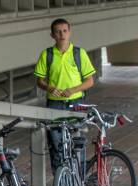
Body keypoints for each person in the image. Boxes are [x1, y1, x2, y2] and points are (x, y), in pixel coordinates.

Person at [34, 18, 96, 169]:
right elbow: (39, 81)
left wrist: (73, 90)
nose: (62, 34)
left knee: (77, 141)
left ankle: (79, 176)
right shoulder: (47, 54)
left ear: (69, 32)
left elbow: (90, 81)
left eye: (64, 31)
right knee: (56, 143)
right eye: (58, 32)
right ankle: (60, 177)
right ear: (52, 35)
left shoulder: (79, 53)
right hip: (54, 103)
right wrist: (49, 88)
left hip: (76, 103)